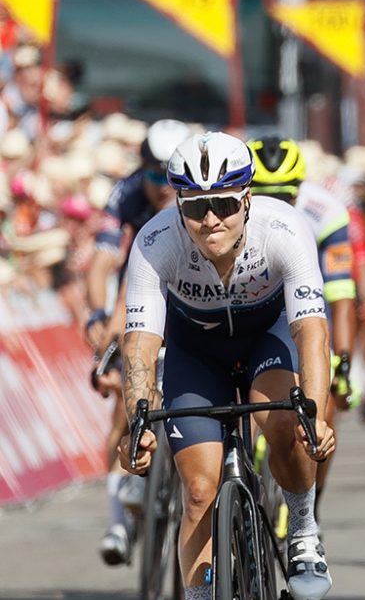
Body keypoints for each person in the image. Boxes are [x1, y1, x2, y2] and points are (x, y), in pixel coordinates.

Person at [116, 132, 336, 600]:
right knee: (198, 491)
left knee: (281, 425)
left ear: (248, 200)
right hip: (196, 354)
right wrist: (138, 420)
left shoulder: (286, 229)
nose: (210, 219)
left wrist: (313, 413)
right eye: (195, 208)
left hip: (267, 338)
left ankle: (303, 528)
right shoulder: (154, 242)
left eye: (223, 205)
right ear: (179, 206)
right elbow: (140, 343)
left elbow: (311, 332)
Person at [86, 117, 191, 565]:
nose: (161, 186)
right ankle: (118, 522)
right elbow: (102, 264)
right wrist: (97, 317)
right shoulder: (127, 194)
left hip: (189, 297)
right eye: (153, 175)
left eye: (168, 176)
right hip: (141, 293)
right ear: (140, 171)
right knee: (122, 407)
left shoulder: (197, 195)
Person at [248, 135, 357, 513]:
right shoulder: (232, 216)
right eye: (263, 194)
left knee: (321, 413)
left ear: (300, 190)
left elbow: (341, 298)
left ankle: (309, 507)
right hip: (254, 312)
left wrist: (343, 359)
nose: (275, 205)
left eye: (285, 196)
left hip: (306, 308)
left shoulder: (326, 213)